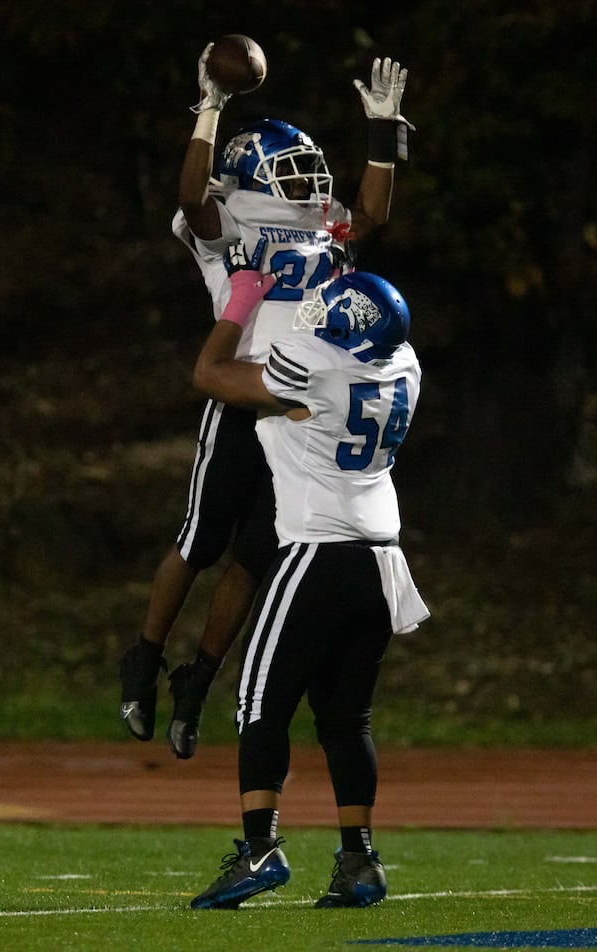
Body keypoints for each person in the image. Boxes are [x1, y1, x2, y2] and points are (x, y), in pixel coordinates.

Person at [119, 45, 413, 761]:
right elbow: (192, 200)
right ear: (250, 168)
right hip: (244, 392)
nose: (308, 176)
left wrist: (384, 134)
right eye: (290, 164)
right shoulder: (229, 213)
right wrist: (210, 110)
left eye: (309, 165)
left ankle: (200, 678)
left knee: (256, 557)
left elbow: (371, 213)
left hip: (301, 413)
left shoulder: (323, 220)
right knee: (199, 542)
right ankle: (143, 658)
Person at [185, 258, 428, 910]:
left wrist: (237, 307)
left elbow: (210, 376)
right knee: (346, 720)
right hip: (380, 558)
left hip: (316, 552)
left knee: (259, 702)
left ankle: (259, 850)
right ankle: (359, 862)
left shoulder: (315, 368)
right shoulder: (404, 364)